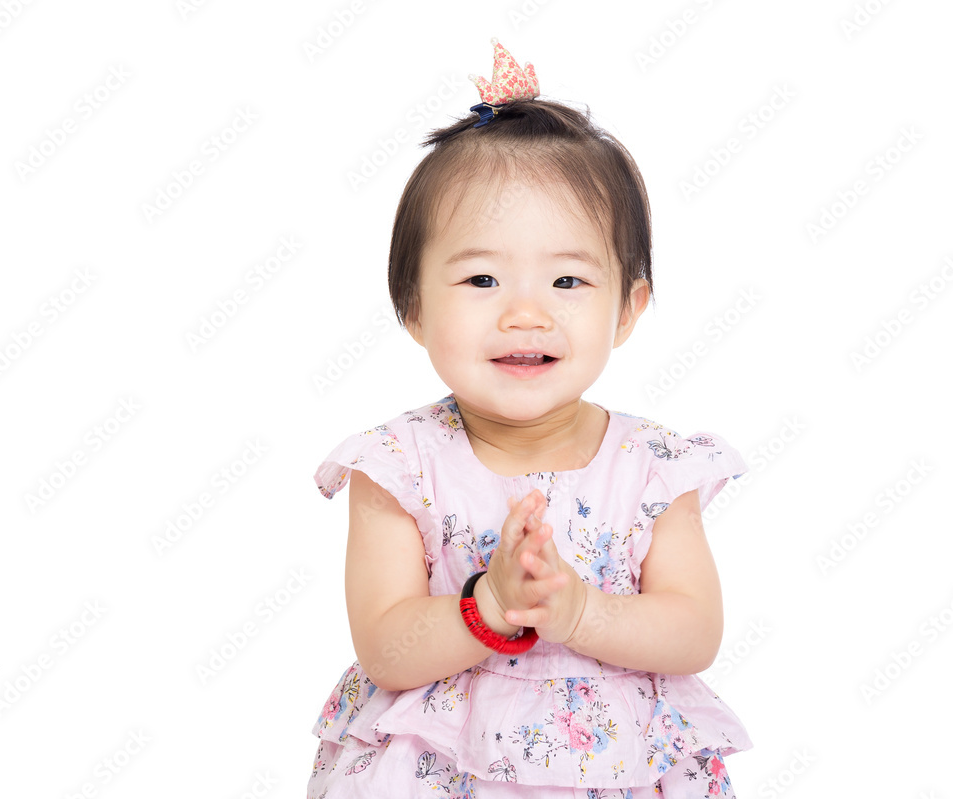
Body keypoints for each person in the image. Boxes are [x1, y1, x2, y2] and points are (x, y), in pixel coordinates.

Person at [307, 39, 751, 798]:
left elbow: (693, 632)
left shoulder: (655, 468)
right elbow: (386, 648)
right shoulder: (396, 466)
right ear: (413, 307)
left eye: (567, 281)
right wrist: (491, 605)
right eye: (481, 278)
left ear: (628, 308)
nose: (525, 313)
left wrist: (579, 612)